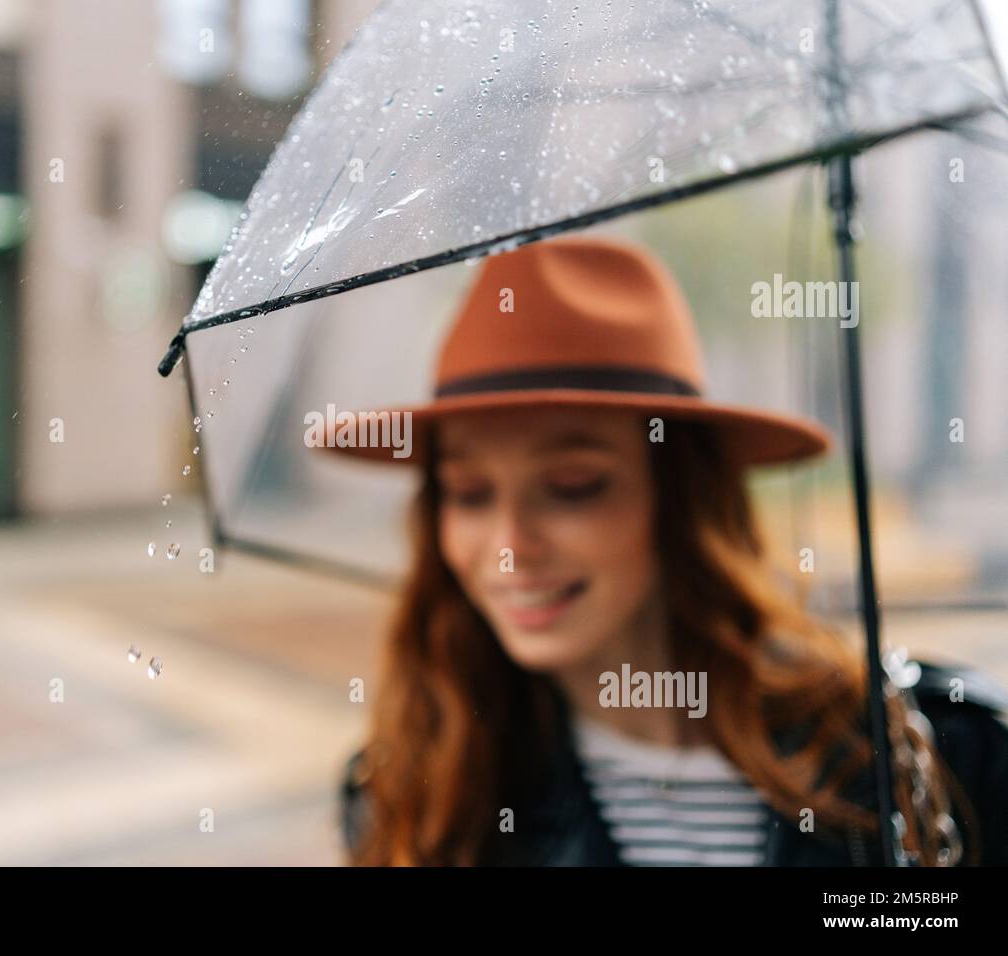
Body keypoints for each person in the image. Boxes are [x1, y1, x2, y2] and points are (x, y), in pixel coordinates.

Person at [329, 234, 1008, 866]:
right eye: (469, 494)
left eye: (573, 487)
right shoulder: (415, 799)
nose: (509, 548)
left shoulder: (934, 753)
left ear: (682, 498)